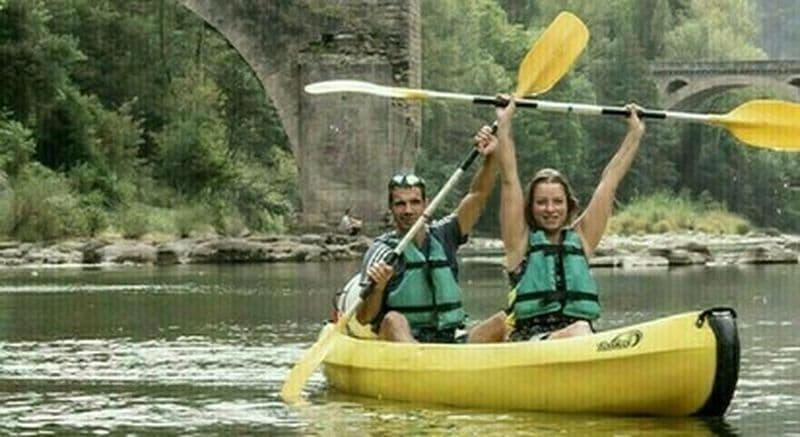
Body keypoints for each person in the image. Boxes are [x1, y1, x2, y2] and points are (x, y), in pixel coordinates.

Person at [494, 97, 646, 341]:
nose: (550, 209)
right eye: (541, 202)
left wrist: (634, 134)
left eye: (557, 202)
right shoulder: (519, 244)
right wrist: (504, 124)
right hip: (531, 343)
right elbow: (509, 179)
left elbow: (609, 184)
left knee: (581, 330)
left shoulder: (581, 238)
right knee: (580, 330)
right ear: (530, 207)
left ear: (568, 205)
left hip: (579, 340)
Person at [351, 124, 510, 344]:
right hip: (403, 342)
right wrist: (377, 288)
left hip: (447, 340)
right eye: (400, 204)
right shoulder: (382, 251)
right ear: (391, 208)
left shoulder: (445, 235)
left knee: (501, 322)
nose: (408, 210)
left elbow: (478, 195)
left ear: (426, 204)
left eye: (415, 202)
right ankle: (422, 365)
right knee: (393, 320)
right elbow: (363, 317)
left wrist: (491, 156)